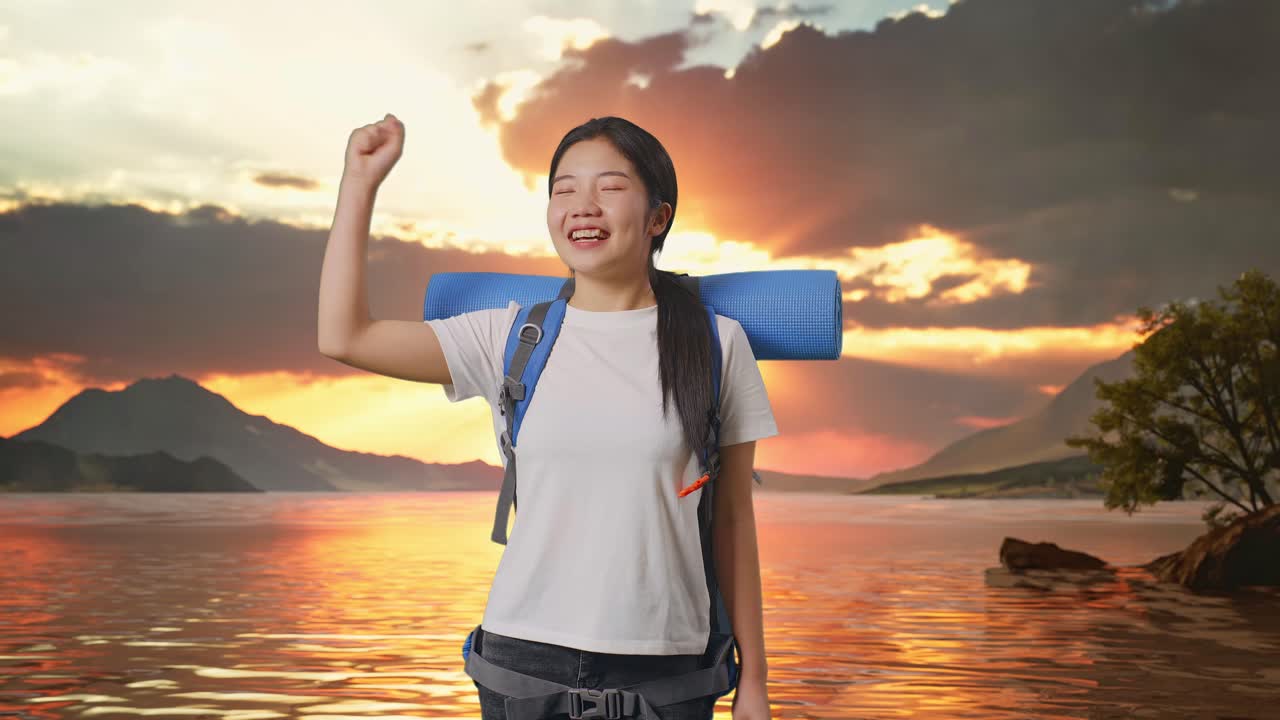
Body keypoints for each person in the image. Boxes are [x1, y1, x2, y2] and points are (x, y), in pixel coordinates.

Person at [318, 112, 778, 720]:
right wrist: (360, 181)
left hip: (669, 669)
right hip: (522, 666)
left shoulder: (718, 345)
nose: (582, 206)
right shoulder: (511, 337)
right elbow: (344, 336)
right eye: (564, 189)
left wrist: (756, 682)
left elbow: (733, 524)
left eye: (610, 188)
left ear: (658, 216)